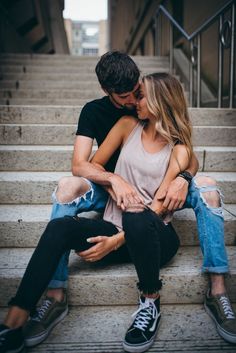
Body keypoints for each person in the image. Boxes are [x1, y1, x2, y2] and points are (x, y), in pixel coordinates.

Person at [7, 51, 235, 346]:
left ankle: (151, 302)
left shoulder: (179, 150)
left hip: (153, 236)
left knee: (139, 215)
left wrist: (116, 240)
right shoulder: (126, 126)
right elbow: (89, 164)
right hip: (116, 225)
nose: (134, 102)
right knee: (59, 227)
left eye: (140, 96)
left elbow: (158, 207)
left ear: (158, 102)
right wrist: (114, 183)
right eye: (132, 96)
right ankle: (15, 318)